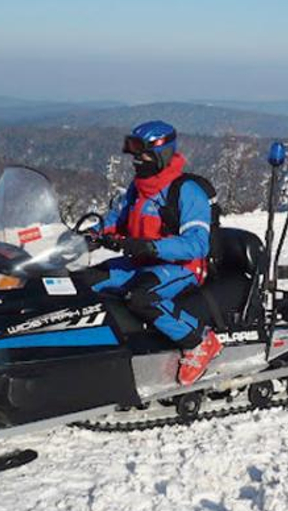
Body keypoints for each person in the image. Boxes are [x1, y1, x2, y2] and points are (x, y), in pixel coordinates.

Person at [83, 120, 223, 386]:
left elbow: (197, 244)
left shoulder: (186, 191)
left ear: (162, 153)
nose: (137, 161)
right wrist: (92, 234)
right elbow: (117, 219)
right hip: (142, 261)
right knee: (85, 281)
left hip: (183, 267)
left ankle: (199, 341)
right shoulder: (139, 188)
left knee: (141, 297)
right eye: (135, 154)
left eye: (144, 154)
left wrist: (150, 246)